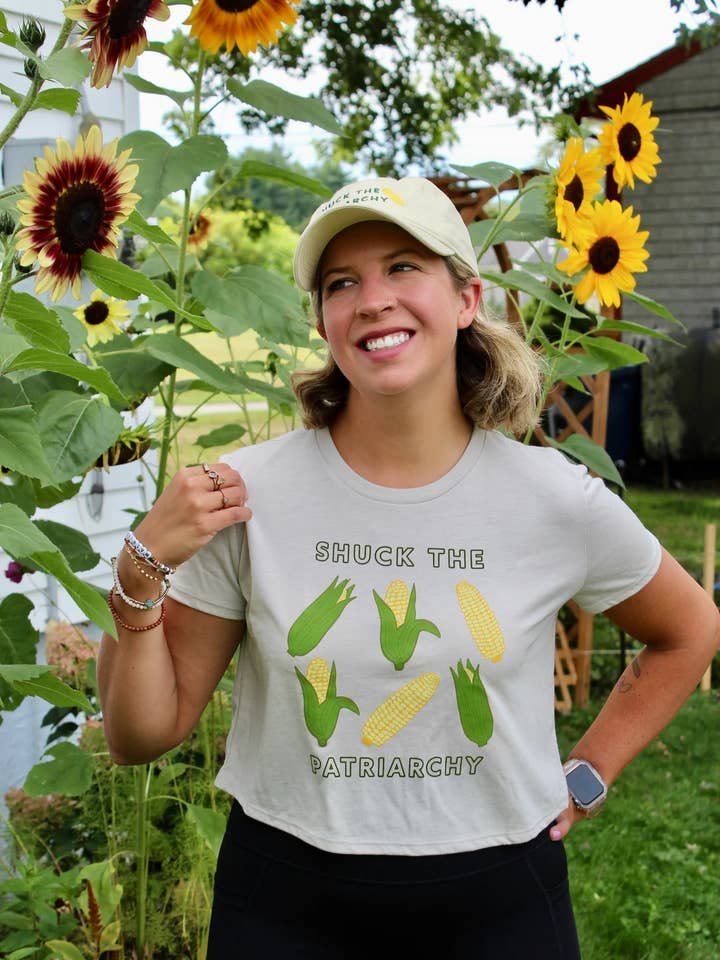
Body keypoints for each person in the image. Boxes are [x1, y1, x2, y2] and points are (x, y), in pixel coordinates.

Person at [97, 176, 719, 959]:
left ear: (467, 299)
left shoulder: (553, 500)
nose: (372, 300)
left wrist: (591, 770)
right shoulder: (249, 494)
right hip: (285, 898)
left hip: (500, 901)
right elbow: (138, 736)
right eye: (341, 283)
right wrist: (140, 568)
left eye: (402, 268)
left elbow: (691, 629)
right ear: (323, 318)